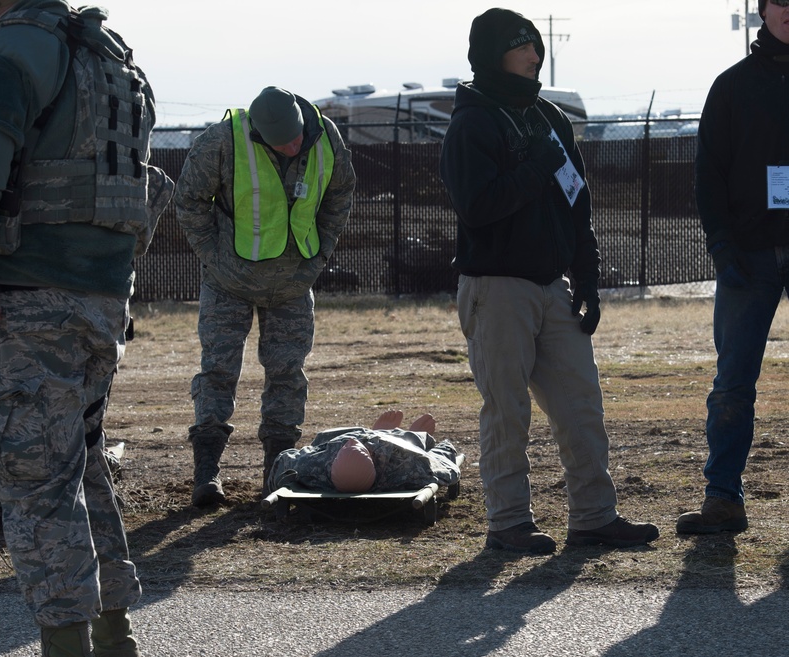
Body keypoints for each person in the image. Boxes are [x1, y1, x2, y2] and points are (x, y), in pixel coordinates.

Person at [0, 0, 154, 657]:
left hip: (27, 299)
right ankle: (114, 652)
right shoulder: (108, 55)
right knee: (81, 467)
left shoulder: (8, 55)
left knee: (33, 485)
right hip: (100, 297)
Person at [438, 8, 659, 555]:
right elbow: (478, 207)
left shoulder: (549, 118)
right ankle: (508, 524)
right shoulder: (473, 124)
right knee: (507, 410)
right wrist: (533, 167)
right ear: (494, 56)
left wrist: (587, 276)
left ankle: (593, 518)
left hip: (550, 285)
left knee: (581, 403)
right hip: (497, 288)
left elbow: (576, 202)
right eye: (522, 47)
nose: (534, 55)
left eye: (535, 45)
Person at [174, 85, 357, 508]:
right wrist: (214, 257)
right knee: (217, 371)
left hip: (293, 284)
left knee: (287, 374)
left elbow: (341, 193)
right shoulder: (221, 141)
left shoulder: (326, 138)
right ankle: (207, 475)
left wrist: (320, 253)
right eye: (280, 145)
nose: (291, 149)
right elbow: (188, 200)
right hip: (227, 283)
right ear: (258, 133)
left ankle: (277, 472)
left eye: (294, 141)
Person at [675, 1, 789, 535]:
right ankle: (723, 498)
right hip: (749, 254)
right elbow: (709, 172)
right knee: (733, 384)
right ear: (762, 10)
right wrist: (721, 246)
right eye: (781, 1)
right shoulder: (733, 86)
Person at [266, 409, 463, 497]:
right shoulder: (409, 470)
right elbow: (444, 465)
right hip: (370, 447)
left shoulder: (310, 466)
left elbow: (284, 460)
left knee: (401, 445)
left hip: (373, 445)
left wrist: (274, 485)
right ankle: (408, 434)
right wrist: (443, 446)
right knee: (412, 446)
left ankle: (388, 432)